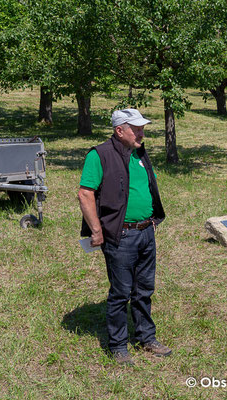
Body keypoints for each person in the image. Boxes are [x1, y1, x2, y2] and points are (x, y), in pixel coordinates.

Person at [78, 109, 169, 365]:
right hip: (121, 235)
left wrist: (151, 222)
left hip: (146, 232)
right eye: (136, 129)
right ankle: (118, 346)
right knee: (121, 293)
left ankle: (146, 338)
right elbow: (85, 194)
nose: (142, 133)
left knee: (144, 290)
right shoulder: (100, 155)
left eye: (142, 128)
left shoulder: (138, 151)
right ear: (120, 131)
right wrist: (96, 231)